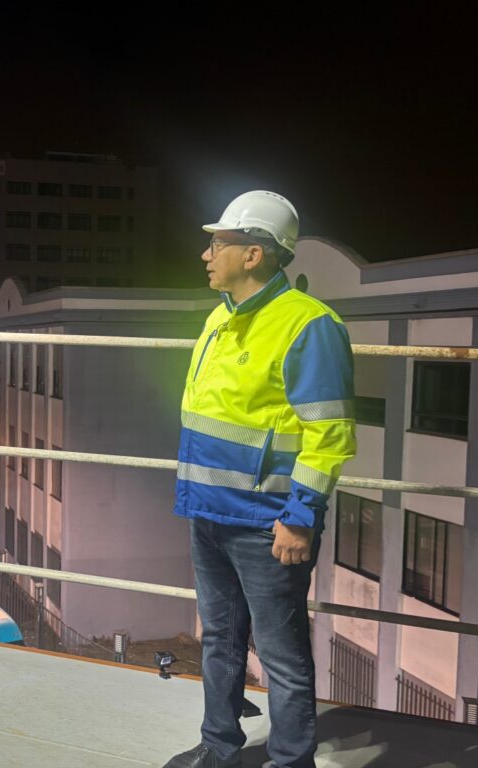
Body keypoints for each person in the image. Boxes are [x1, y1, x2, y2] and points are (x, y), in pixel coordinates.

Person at [166, 191, 356, 768]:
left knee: (281, 654)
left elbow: (330, 433)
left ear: (254, 254)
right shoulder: (221, 315)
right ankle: (218, 746)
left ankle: (291, 761)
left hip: (268, 522)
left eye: (217, 242)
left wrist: (300, 519)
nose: (206, 253)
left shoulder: (311, 325)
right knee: (218, 638)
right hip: (209, 511)